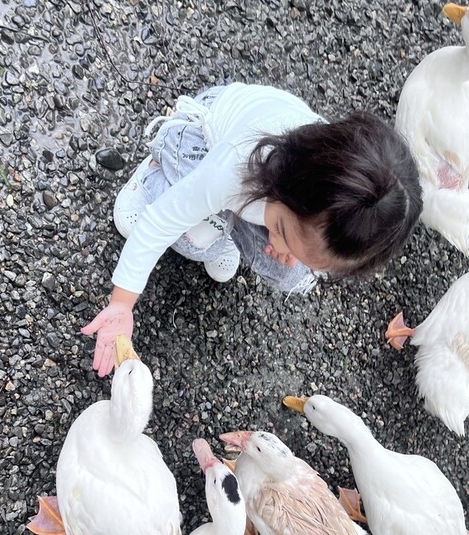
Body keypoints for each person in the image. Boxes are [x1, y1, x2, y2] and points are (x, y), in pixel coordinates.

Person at [81, 82, 423, 377]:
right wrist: (121, 304)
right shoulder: (237, 165)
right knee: (196, 241)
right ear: (287, 182)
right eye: (281, 231)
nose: (280, 246)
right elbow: (159, 223)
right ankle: (155, 176)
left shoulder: (332, 204)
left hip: (258, 197)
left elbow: (301, 240)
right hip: (204, 139)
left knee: (292, 276)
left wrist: (290, 246)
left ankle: (232, 224)